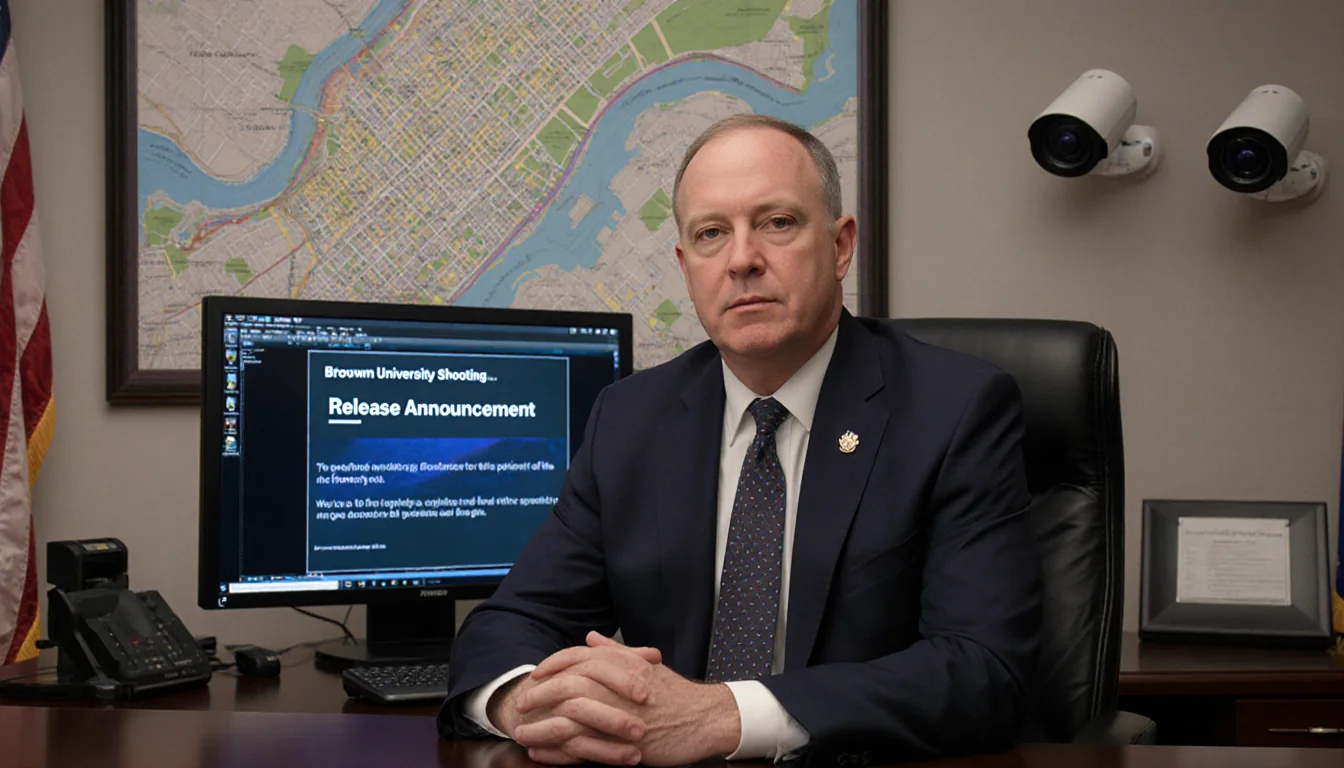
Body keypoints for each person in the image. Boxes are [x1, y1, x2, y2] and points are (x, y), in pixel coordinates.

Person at [439, 114, 1042, 767]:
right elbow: (510, 625)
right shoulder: (630, 419)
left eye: (777, 223)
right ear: (686, 266)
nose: (742, 259)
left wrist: (722, 717)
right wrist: (529, 705)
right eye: (711, 234)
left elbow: (983, 671)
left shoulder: (953, 409)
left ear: (841, 246)